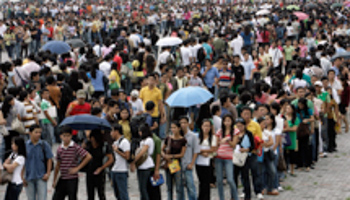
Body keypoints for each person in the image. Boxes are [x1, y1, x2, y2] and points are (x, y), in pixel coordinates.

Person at [52, 126, 92, 200]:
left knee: (72, 197)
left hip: (72, 178)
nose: (66, 138)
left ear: (71, 136)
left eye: (68, 136)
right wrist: (54, 180)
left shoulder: (75, 147)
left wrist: (77, 168)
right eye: (64, 136)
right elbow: (57, 165)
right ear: (61, 136)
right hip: (62, 177)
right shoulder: (59, 149)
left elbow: (88, 156)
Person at [23, 124, 53, 200]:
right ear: (30, 133)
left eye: (40, 132)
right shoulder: (25, 146)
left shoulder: (44, 145)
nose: (38, 134)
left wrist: (48, 174)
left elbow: (49, 159)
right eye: (36, 132)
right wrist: (22, 177)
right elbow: (22, 162)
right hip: (29, 177)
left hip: (41, 177)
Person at [83, 129, 114, 200]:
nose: (93, 141)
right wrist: (83, 147)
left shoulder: (104, 146)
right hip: (89, 171)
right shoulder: (88, 145)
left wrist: (102, 168)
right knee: (90, 194)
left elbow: (111, 159)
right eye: (91, 139)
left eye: (94, 140)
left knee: (101, 193)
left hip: (100, 171)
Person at [215, 114, 239, 200]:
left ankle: (236, 197)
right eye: (225, 121)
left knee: (230, 179)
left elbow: (233, 145)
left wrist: (227, 139)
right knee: (219, 180)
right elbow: (217, 143)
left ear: (232, 121)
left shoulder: (235, 131)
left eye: (229, 120)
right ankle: (221, 198)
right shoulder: (220, 131)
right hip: (218, 156)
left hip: (228, 157)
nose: (227, 122)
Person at [162, 121, 187, 200]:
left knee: (179, 186)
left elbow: (182, 154)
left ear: (179, 128)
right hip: (168, 163)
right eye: (172, 128)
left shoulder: (183, 140)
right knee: (169, 186)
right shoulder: (168, 138)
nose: (173, 129)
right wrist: (165, 156)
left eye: (174, 127)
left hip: (176, 163)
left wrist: (171, 156)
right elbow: (162, 149)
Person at [233, 118, 255, 200]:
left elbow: (253, 146)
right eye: (237, 126)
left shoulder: (248, 134)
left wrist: (245, 149)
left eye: (241, 126)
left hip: (245, 157)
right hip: (235, 156)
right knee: (234, 176)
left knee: (245, 176)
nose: (239, 127)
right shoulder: (234, 134)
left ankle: (247, 195)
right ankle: (234, 195)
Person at [131, 124, 155, 200]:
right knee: (142, 187)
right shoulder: (143, 140)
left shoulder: (148, 140)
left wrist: (133, 161)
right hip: (141, 165)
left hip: (146, 165)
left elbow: (142, 152)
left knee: (143, 187)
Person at [179, 116, 200, 200]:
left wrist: (192, 163)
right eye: (181, 123)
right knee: (179, 186)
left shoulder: (192, 136)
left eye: (184, 122)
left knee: (190, 186)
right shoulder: (177, 135)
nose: (183, 125)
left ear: (188, 123)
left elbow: (196, 151)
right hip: (178, 164)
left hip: (188, 163)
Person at [196, 119, 217, 200]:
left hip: (208, 161)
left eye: (208, 126)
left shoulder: (213, 137)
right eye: (205, 125)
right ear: (201, 126)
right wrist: (202, 152)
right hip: (199, 161)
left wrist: (201, 150)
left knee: (206, 182)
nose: (206, 128)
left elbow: (213, 149)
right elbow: (195, 148)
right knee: (201, 181)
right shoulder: (197, 137)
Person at [110, 123, 130, 200]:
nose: (111, 133)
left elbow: (127, 156)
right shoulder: (115, 142)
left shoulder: (124, 142)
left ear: (116, 131)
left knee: (123, 194)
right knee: (117, 194)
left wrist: (117, 151)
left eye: (112, 131)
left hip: (121, 171)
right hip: (114, 170)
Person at [262, 113, 279, 195]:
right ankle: (264, 187)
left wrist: (271, 148)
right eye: (265, 119)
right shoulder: (263, 131)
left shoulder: (275, 130)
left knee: (272, 170)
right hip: (263, 153)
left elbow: (275, 142)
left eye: (268, 119)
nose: (266, 121)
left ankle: (273, 186)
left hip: (271, 152)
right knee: (264, 171)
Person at [283, 103, 300, 176]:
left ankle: (292, 170)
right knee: (284, 155)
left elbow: (295, 129)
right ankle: (284, 170)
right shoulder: (283, 117)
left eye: (289, 108)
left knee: (292, 155)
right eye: (286, 108)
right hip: (284, 138)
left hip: (292, 138)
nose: (287, 110)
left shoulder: (295, 118)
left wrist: (286, 129)